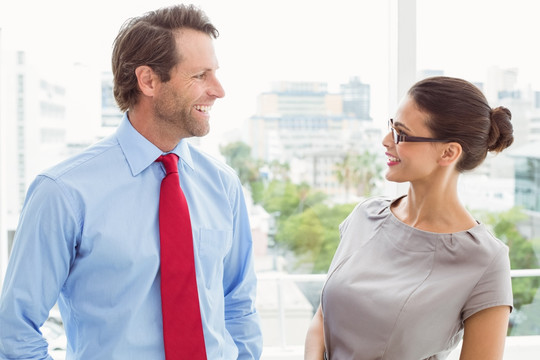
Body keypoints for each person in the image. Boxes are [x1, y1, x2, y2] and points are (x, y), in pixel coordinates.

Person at [0, 4, 262, 359]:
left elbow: (238, 303)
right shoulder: (62, 193)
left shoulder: (224, 186)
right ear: (149, 80)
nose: (218, 90)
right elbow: (15, 331)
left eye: (214, 73)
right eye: (200, 75)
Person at [304, 76, 514, 360]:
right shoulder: (365, 217)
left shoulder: (486, 260)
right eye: (391, 127)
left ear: (448, 152)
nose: (386, 141)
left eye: (401, 134)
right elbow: (322, 318)